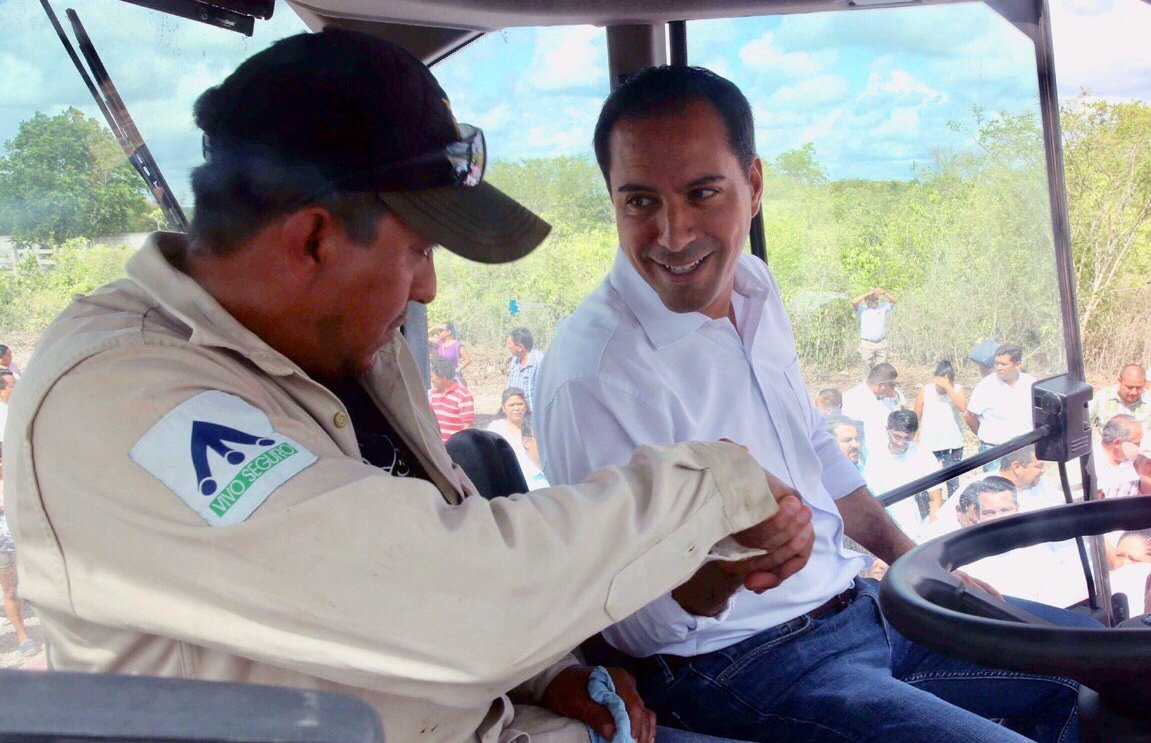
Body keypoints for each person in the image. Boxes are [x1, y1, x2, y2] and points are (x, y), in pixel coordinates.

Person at [5, 32, 813, 743]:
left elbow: (439, 545)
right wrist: (714, 482)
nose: (426, 289)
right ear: (314, 238)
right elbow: (450, 596)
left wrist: (547, 670)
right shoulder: (120, 404)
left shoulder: (343, 349)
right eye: (420, 250)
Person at [536, 64, 1094, 743]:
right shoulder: (595, 373)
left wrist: (916, 566)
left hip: (863, 605)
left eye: (702, 193)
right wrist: (724, 573)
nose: (673, 233)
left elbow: (815, 450)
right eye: (639, 202)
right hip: (735, 663)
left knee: (1100, 670)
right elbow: (625, 619)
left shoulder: (752, 287)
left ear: (754, 186)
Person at [862, 410, 943, 533]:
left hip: (913, 528)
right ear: (887, 430)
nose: (900, 443)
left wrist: (932, 530)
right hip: (881, 524)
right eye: (897, 437)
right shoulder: (874, 455)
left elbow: (936, 499)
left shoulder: (923, 456)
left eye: (907, 439)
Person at [965, 344, 1036, 463]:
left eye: (1003, 364)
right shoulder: (986, 386)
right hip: (994, 452)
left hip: (1024, 449)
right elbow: (969, 416)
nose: (998, 367)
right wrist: (984, 435)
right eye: (996, 363)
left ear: (1017, 364)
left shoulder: (1030, 383)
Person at [913, 359, 967, 498]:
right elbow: (916, 414)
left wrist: (948, 388)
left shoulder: (957, 389)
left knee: (953, 482)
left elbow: (962, 407)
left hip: (952, 444)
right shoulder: (926, 390)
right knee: (928, 482)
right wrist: (916, 436)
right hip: (929, 445)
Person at [841, 361, 905, 455]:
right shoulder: (852, 399)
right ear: (880, 386)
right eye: (892, 385)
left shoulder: (894, 395)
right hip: (866, 455)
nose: (894, 388)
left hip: (890, 452)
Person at [487, 387, 538, 479]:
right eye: (511, 405)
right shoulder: (495, 429)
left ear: (525, 406)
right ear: (503, 408)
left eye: (520, 404)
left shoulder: (534, 426)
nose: (516, 408)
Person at [997, 446, 1063, 513]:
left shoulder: (1044, 483)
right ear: (1017, 467)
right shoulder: (988, 492)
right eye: (1038, 466)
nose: (1043, 470)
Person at [1093, 414, 1143, 499]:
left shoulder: (1139, 461)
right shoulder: (1088, 464)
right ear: (1117, 443)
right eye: (1137, 444)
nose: (1140, 448)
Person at [1090, 363, 1149, 433]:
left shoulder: (1149, 401)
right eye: (1129, 387)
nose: (1134, 392)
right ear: (1119, 381)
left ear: (1144, 383)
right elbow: (1082, 422)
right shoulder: (1102, 397)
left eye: (1138, 387)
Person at [428, 357, 474, 443]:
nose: (431, 380)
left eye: (433, 376)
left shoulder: (463, 395)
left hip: (453, 446)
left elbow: (467, 425)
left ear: (443, 377)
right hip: (436, 445)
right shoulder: (433, 394)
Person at [850, 288, 897, 370]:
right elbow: (854, 302)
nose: (876, 301)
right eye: (872, 300)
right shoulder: (862, 309)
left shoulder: (882, 308)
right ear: (867, 301)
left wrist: (884, 292)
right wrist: (868, 293)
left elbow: (894, 300)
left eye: (876, 299)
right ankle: (867, 382)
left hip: (881, 343)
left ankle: (879, 382)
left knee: (882, 368)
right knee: (866, 366)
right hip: (867, 344)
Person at [507, 327, 544, 412]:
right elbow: (510, 387)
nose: (507, 346)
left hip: (533, 415)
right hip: (517, 413)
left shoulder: (539, 362)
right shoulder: (515, 360)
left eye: (509, 344)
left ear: (520, 347)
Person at [432, 321, 472, 387]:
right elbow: (423, 336)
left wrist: (458, 369)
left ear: (449, 332)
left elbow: (468, 360)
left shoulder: (457, 345)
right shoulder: (439, 343)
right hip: (441, 376)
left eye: (441, 330)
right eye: (439, 331)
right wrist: (435, 327)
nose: (439, 332)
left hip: (453, 376)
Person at [519, 415, 550, 491]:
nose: (550, 442)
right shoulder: (517, 477)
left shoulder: (563, 470)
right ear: (526, 442)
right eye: (542, 437)